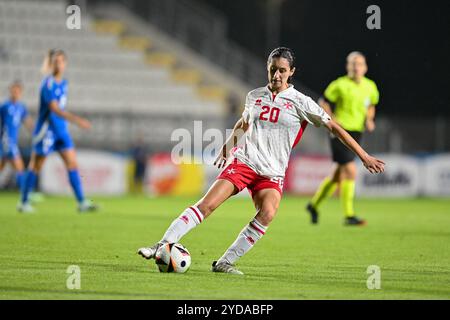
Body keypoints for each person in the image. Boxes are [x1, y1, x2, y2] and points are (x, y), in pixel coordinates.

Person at [138, 47, 385, 275]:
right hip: (245, 162)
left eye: (282, 70)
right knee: (208, 205)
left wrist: (363, 156)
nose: (276, 75)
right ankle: (161, 244)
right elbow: (244, 122)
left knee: (267, 213)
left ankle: (225, 262)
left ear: (291, 72)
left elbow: (336, 128)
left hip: (272, 171)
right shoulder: (254, 96)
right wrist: (228, 146)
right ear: (267, 67)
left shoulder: (302, 102)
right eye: (273, 69)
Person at [18, 49, 97, 213]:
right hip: (46, 131)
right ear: (51, 64)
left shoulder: (64, 83)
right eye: (55, 61)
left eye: (61, 61)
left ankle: (82, 202)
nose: (58, 64)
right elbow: (55, 109)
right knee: (36, 166)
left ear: (65, 64)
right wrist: (78, 120)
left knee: (72, 163)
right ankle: (23, 202)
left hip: (61, 131)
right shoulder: (48, 84)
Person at [306, 51, 380, 226]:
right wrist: (331, 119)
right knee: (350, 169)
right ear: (348, 66)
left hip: (357, 131)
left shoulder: (370, 86)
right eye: (353, 63)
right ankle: (349, 215)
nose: (356, 67)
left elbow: (371, 105)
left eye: (360, 64)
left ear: (365, 67)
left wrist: (369, 119)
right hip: (339, 131)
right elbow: (323, 102)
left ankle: (313, 205)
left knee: (338, 174)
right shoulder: (339, 84)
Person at [0, 81, 34, 189]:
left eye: (18, 91)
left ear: (21, 93)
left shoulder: (21, 107)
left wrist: (36, 134)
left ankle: (26, 194)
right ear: (10, 91)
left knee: (6, 166)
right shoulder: (5, 106)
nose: (15, 93)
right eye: (14, 91)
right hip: (6, 141)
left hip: (12, 141)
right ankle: (26, 195)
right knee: (20, 167)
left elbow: (27, 122)